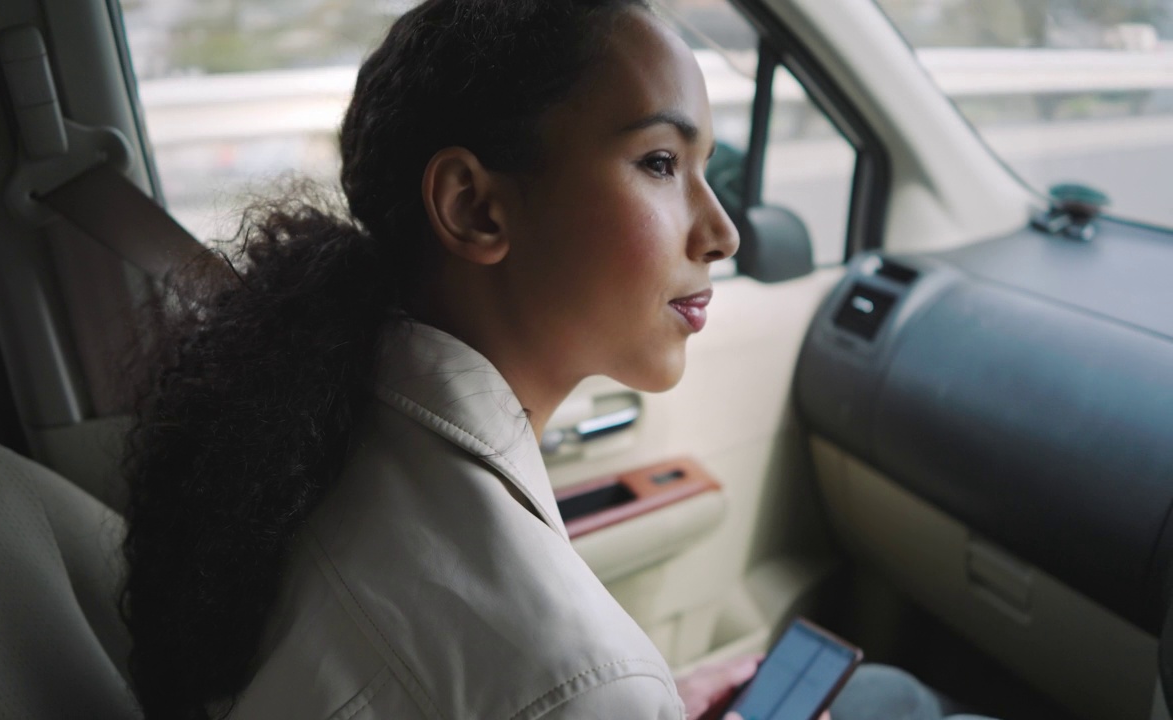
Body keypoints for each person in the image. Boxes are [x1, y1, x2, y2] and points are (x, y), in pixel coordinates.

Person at [120, 1, 995, 718]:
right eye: (660, 162)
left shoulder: (306, 423)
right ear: (475, 208)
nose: (722, 232)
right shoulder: (575, 679)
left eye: (704, 169)